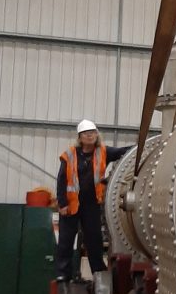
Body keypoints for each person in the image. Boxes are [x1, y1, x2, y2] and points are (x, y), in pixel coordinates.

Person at [55, 120, 131, 282]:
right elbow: (61, 180)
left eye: (92, 132)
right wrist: (62, 204)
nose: (89, 135)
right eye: (86, 133)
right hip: (71, 204)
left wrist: (140, 146)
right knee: (66, 241)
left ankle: (98, 272)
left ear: (97, 135)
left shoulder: (103, 152)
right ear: (80, 137)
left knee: (94, 240)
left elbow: (123, 152)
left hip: (91, 204)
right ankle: (63, 273)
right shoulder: (69, 155)